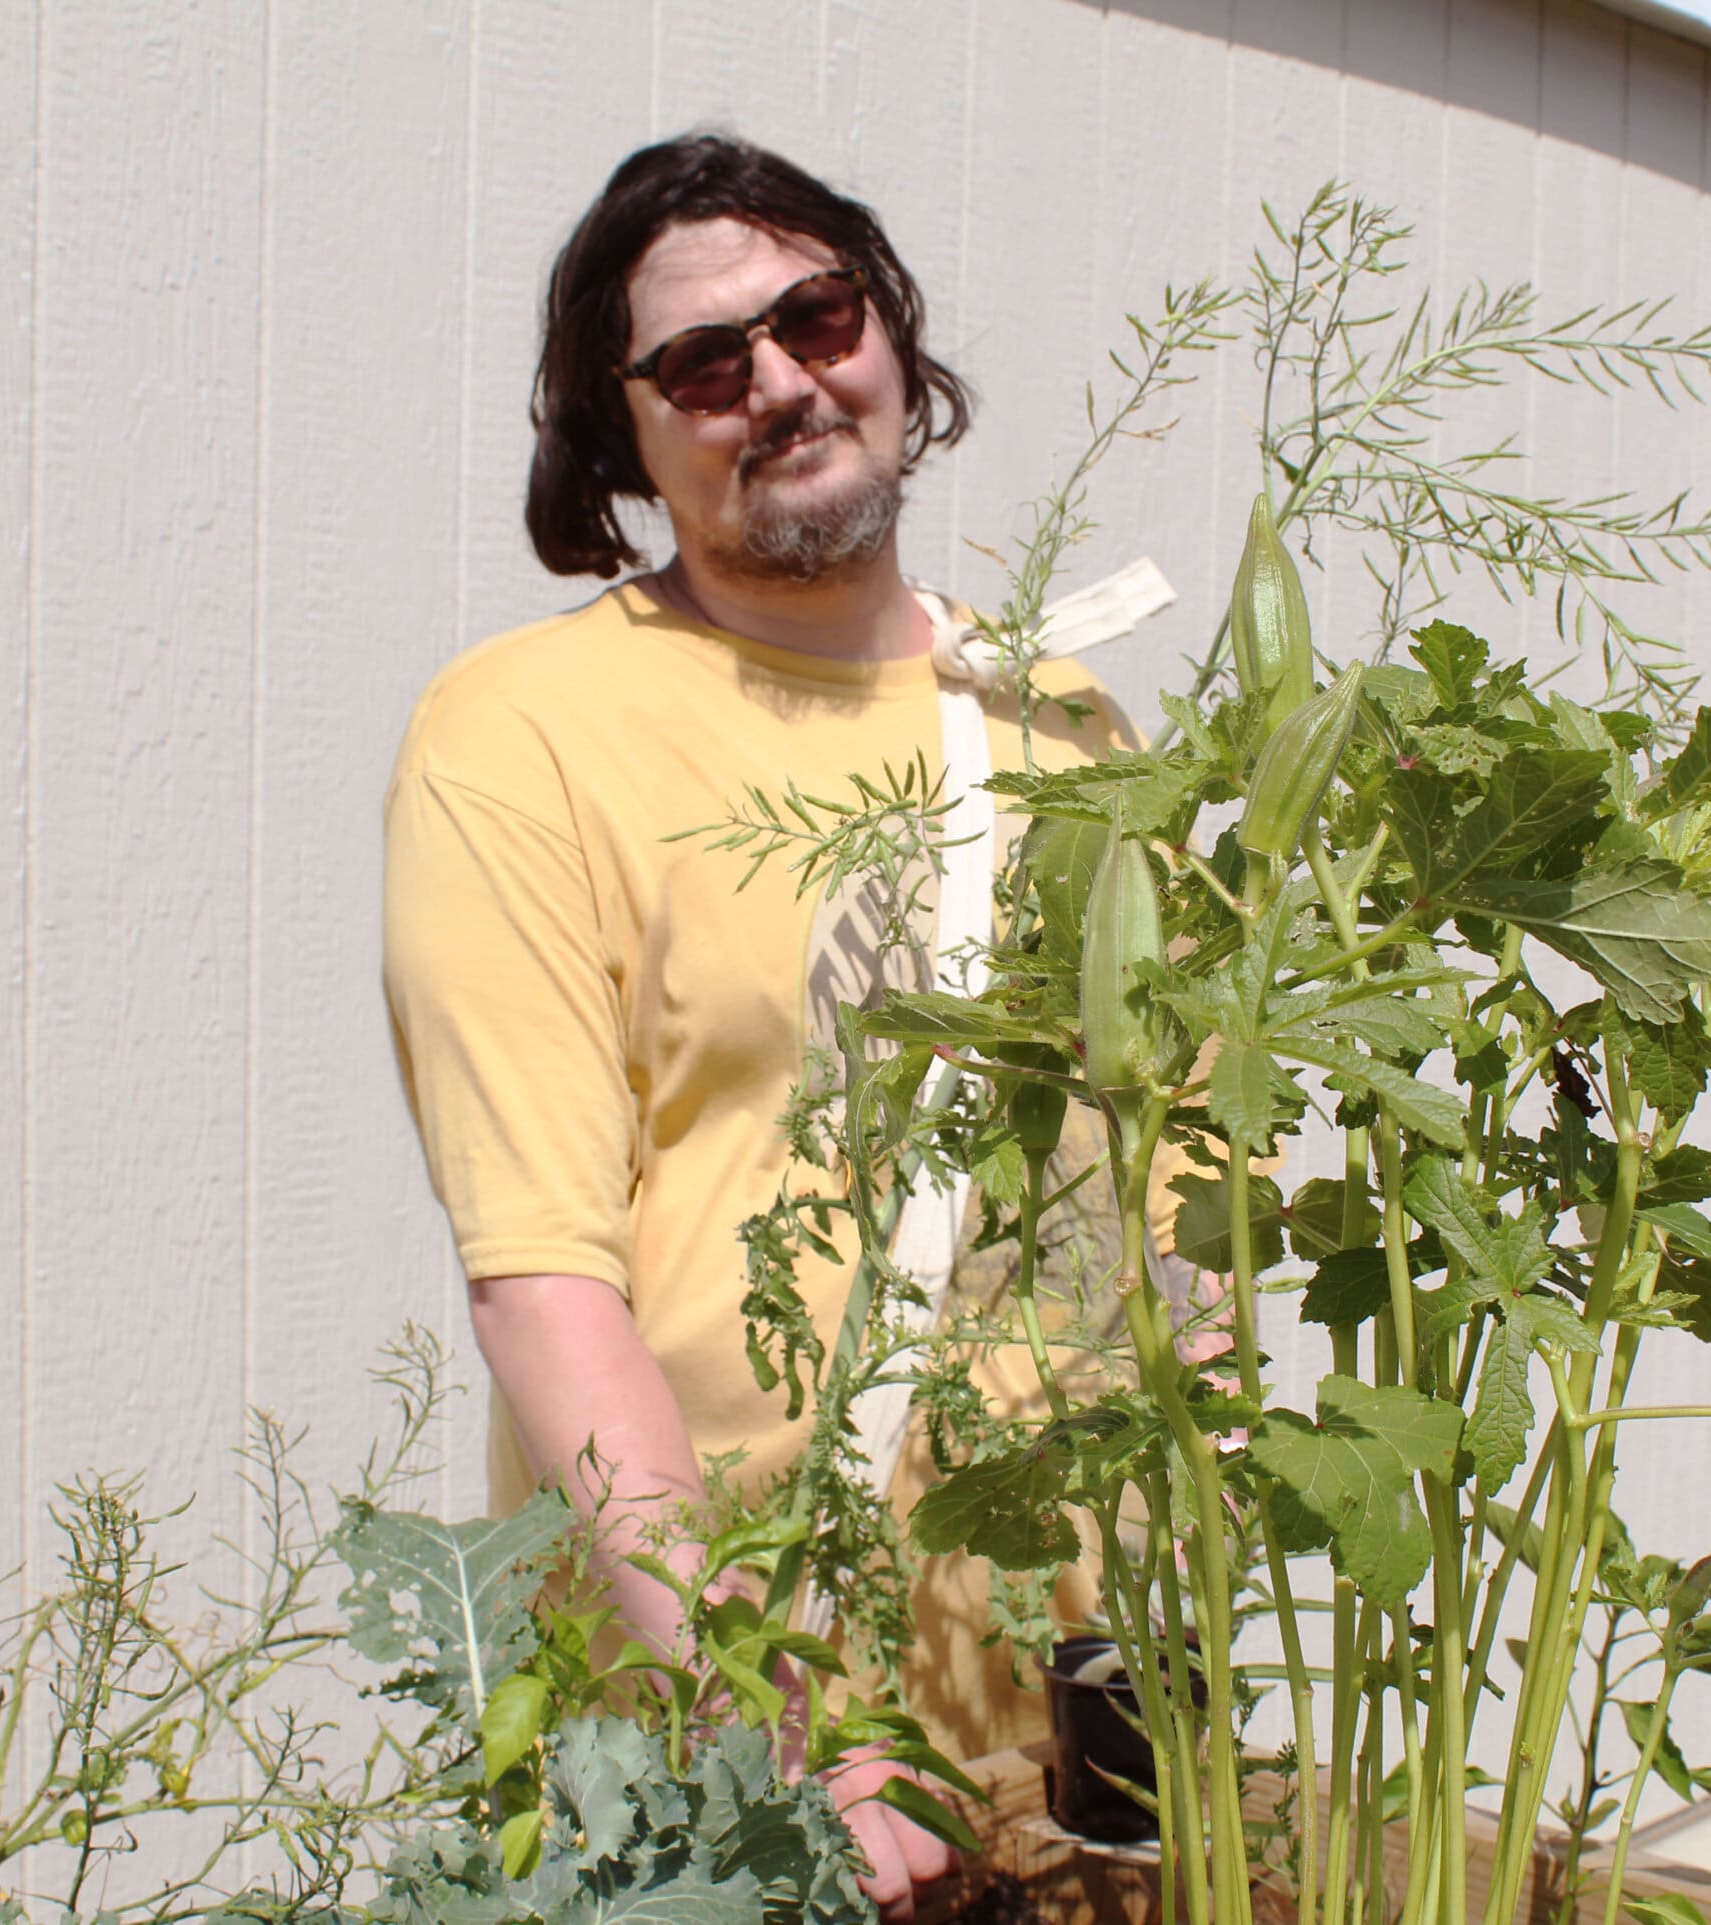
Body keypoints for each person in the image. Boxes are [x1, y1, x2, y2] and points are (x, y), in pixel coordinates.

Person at [381, 133, 1143, 1918]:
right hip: (717, 1744)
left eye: (820, 315)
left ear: (893, 332)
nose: (785, 381)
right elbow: (540, 1278)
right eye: (707, 364)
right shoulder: (523, 736)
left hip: (1065, 1712)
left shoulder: (1065, 716)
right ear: (622, 436)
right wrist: (763, 1727)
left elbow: (1167, 1169)